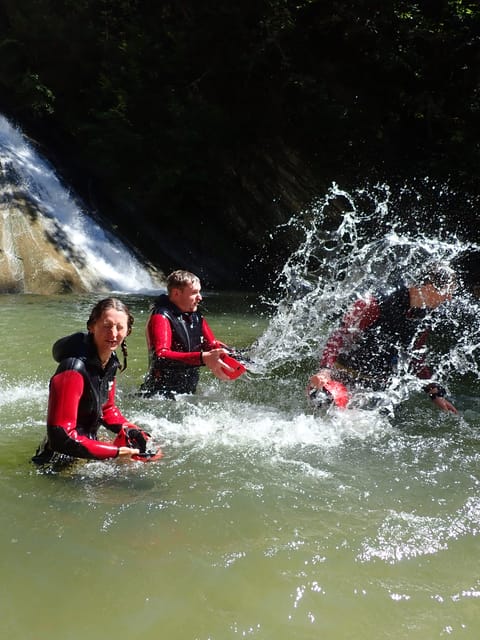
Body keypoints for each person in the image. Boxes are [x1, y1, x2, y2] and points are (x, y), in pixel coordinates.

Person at [307, 265, 458, 413]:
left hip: (379, 389)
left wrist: (435, 393)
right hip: (342, 380)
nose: (449, 298)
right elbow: (339, 335)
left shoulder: (426, 317)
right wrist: (325, 371)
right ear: (430, 287)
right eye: (447, 292)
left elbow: (415, 356)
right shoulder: (375, 303)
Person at [32, 297, 157, 466]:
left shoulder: (110, 361)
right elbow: (61, 437)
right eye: (107, 326)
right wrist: (115, 452)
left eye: (120, 327)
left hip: (87, 455)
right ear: (91, 327)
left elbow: (107, 408)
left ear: (128, 331)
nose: (113, 334)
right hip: (59, 463)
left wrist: (133, 431)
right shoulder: (72, 370)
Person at [140, 270, 237, 397]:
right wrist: (203, 358)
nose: (200, 297)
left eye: (199, 292)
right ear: (176, 293)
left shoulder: (196, 316)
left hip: (186, 395)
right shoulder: (161, 316)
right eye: (194, 293)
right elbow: (161, 355)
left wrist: (237, 356)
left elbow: (212, 345)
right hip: (158, 396)